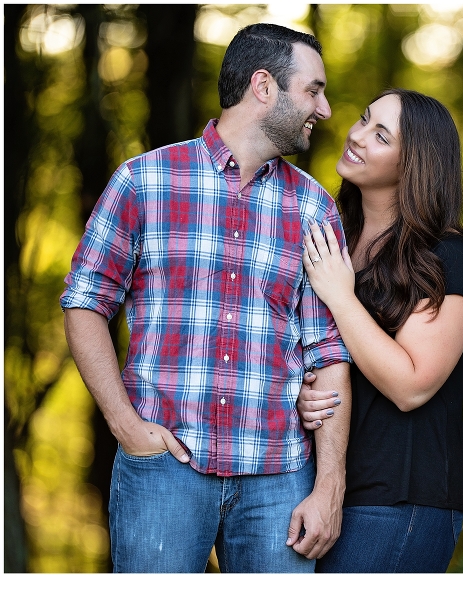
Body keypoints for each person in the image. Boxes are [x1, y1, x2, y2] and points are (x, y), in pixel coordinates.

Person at [60, 23, 352, 573]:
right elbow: (85, 301)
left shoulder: (315, 208)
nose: (326, 108)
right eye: (313, 90)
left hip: (279, 479)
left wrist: (329, 486)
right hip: (163, 469)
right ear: (263, 86)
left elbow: (328, 351)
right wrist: (123, 424)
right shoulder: (143, 182)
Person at [297, 89, 463, 573]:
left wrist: (341, 295)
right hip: (322, 488)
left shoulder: (445, 255)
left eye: (380, 136)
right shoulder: (332, 235)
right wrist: (301, 391)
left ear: (413, 165)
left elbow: (412, 385)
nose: (356, 135)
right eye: (363, 119)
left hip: (401, 501)